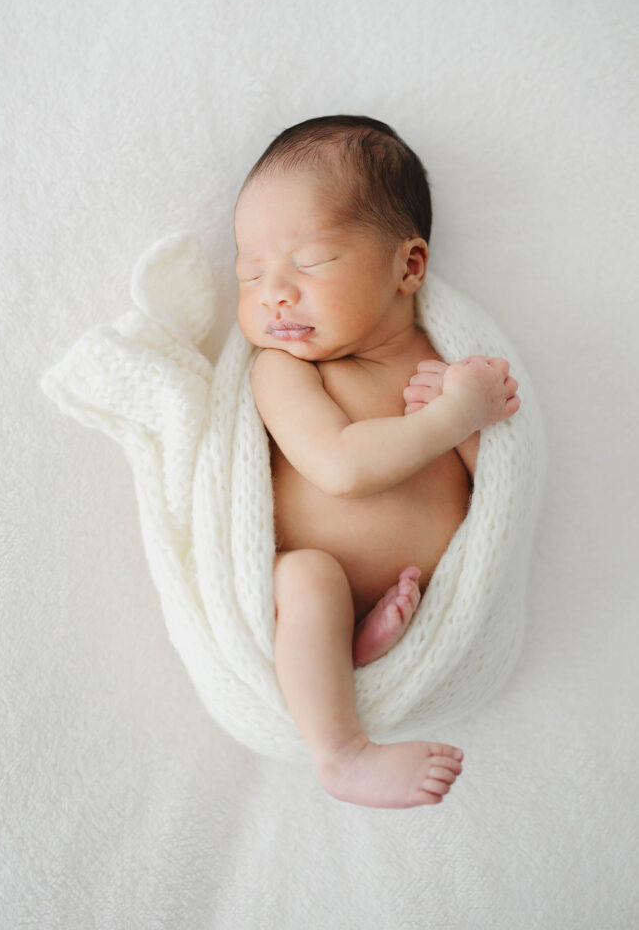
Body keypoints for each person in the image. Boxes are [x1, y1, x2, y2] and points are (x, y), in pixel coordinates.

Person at [233, 115, 520, 809]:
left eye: (309, 261)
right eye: (249, 272)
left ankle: (362, 650)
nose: (273, 291)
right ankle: (342, 754)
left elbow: (501, 489)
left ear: (408, 267)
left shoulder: (446, 360)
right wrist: (452, 418)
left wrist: (476, 428)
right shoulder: (285, 371)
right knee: (307, 577)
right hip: (308, 594)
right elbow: (341, 468)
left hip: (428, 602)